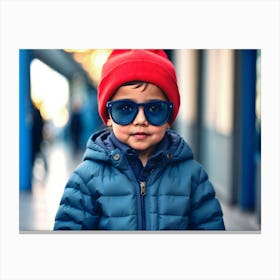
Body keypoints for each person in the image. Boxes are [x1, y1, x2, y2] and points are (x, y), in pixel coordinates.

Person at [54, 50, 225, 230]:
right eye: (125, 108)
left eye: (155, 109)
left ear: (169, 117)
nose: (141, 120)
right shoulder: (86, 178)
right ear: (109, 116)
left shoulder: (193, 177)